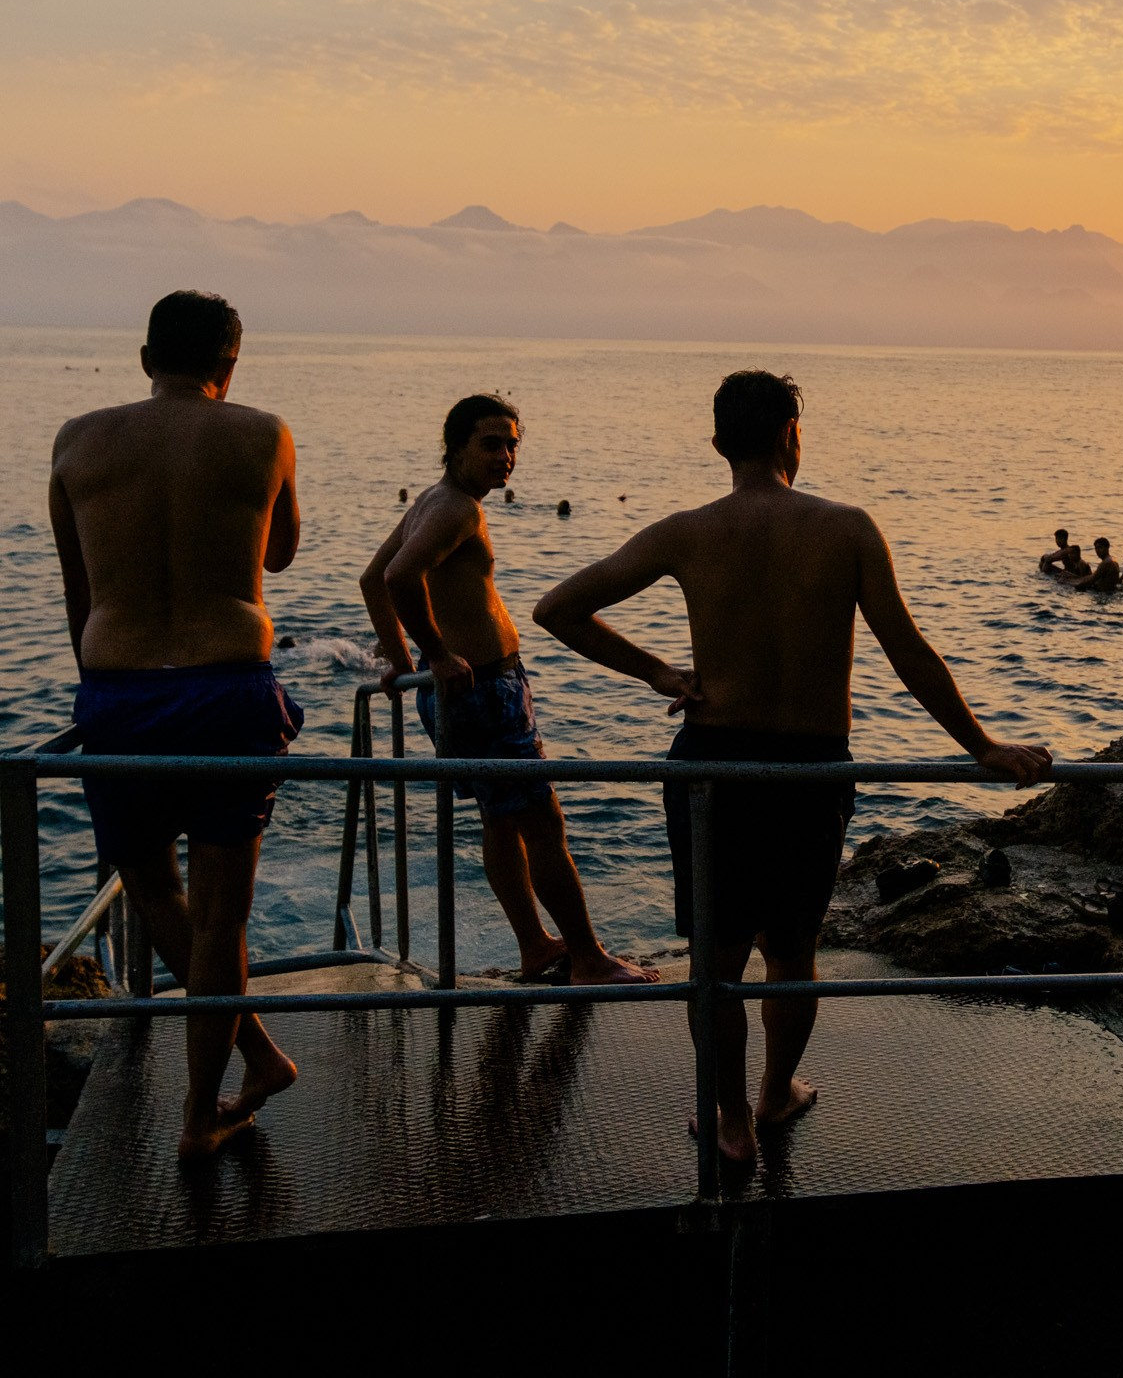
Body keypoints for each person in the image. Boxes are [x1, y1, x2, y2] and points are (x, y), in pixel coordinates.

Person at [535, 370, 1052, 1166]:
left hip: (711, 767)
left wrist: (660, 675)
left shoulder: (684, 531)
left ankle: (732, 1120)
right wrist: (981, 745)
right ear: (790, 433)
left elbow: (556, 609)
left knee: (714, 962)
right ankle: (777, 1094)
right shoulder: (847, 528)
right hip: (809, 768)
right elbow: (907, 649)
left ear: (717, 443)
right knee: (790, 954)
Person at [49, 291, 302, 1158]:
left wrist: (102, 693)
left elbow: (77, 589)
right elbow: (279, 552)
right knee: (223, 917)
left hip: (116, 691)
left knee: (152, 886)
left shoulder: (77, 439)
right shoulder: (262, 432)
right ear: (229, 364)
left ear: (142, 355)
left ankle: (253, 1063)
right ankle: (209, 1104)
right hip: (228, 687)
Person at [360, 396, 654, 987]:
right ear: (457, 446)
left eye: (513, 443)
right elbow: (394, 578)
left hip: (465, 691)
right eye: (491, 443)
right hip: (484, 688)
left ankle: (536, 948)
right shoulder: (456, 509)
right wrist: (435, 655)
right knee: (542, 824)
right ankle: (588, 959)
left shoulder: (433, 501)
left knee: (500, 821)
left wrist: (402, 661)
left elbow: (373, 579)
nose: (506, 456)